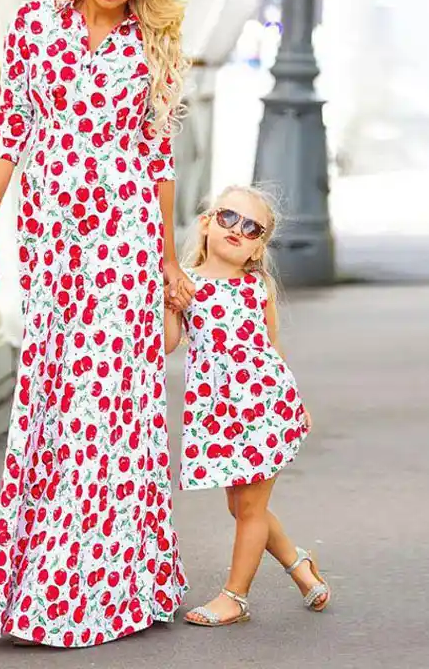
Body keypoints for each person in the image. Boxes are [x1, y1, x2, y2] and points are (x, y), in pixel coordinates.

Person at [0, 0, 195, 649]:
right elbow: (9, 131)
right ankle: (52, 581)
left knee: (108, 412)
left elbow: (158, 161)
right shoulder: (36, 26)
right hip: (53, 251)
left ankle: (94, 591)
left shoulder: (154, 40)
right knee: (57, 408)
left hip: (124, 250)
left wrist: (166, 260)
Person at [164, 185, 331, 627]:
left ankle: (234, 597)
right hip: (218, 415)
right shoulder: (185, 280)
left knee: (251, 509)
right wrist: (168, 303)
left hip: (263, 407)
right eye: (228, 218)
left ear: (258, 247)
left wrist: (295, 401)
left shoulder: (257, 287)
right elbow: (167, 344)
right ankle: (299, 564)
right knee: (239, 507)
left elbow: (271, 349)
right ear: (205, 223)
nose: (238, 230)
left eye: (252, 227)